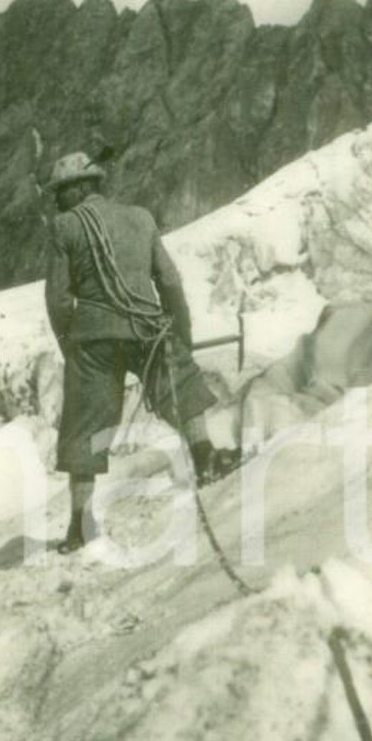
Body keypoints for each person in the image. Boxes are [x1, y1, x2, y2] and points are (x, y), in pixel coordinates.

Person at [43, 151, 237, 554]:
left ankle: (80, 525)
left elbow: (58, 299)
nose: (56, 199)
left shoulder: (65, 226)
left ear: (79, 188)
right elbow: (169, 281)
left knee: (85, 425)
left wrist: (70, 344)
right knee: (178, 384)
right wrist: (180, 338)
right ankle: (205, 459)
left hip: (94, 339)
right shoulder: (141, 218)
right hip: (148, 328)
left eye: (60, 191)